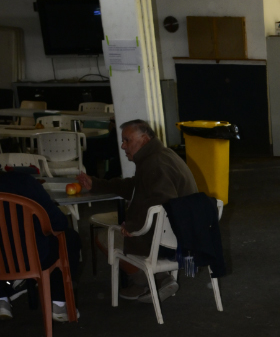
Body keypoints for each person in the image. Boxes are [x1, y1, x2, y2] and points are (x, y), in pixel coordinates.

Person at [75, 119, 198, 302]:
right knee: (121, 231)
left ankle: (150, 281)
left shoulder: (155, 163)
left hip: (171, 238)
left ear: (145, 139)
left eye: (127, 140)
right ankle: (153, 280)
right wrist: (97, 184)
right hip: (182, 231)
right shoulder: (159, 156)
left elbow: (162, 202)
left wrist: (134, 225)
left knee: (104, 238)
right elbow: (134, 186)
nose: (123, 146)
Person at [0, 160, 81, 322]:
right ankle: (59, 303)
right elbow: (58, 223)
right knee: (69, 237)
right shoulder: (22, 181)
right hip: (32, 257)